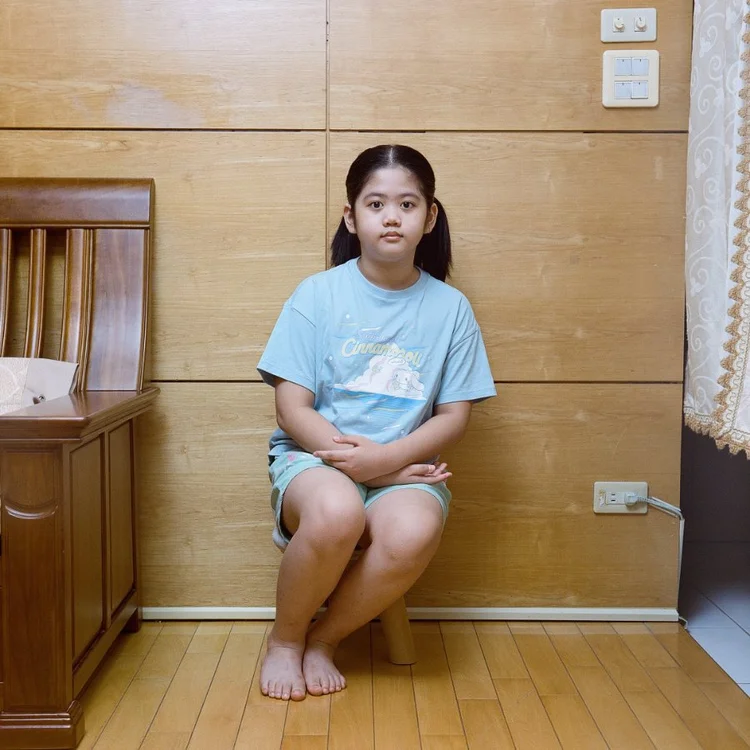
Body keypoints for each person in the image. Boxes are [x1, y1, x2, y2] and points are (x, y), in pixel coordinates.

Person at [256, 144, 496, 701]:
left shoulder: (451, 308)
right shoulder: (316, 295)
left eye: (408, 204)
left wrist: (386, 463)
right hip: (314, 462)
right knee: (337, 511)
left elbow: (454, 418)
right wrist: (368, 468)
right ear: (351, 216)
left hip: (404, 468)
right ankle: (285, 641)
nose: (392, 217)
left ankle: (324, 639)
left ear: (429, 218)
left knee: (413, 530)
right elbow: (291, 409)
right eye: (376, 203)